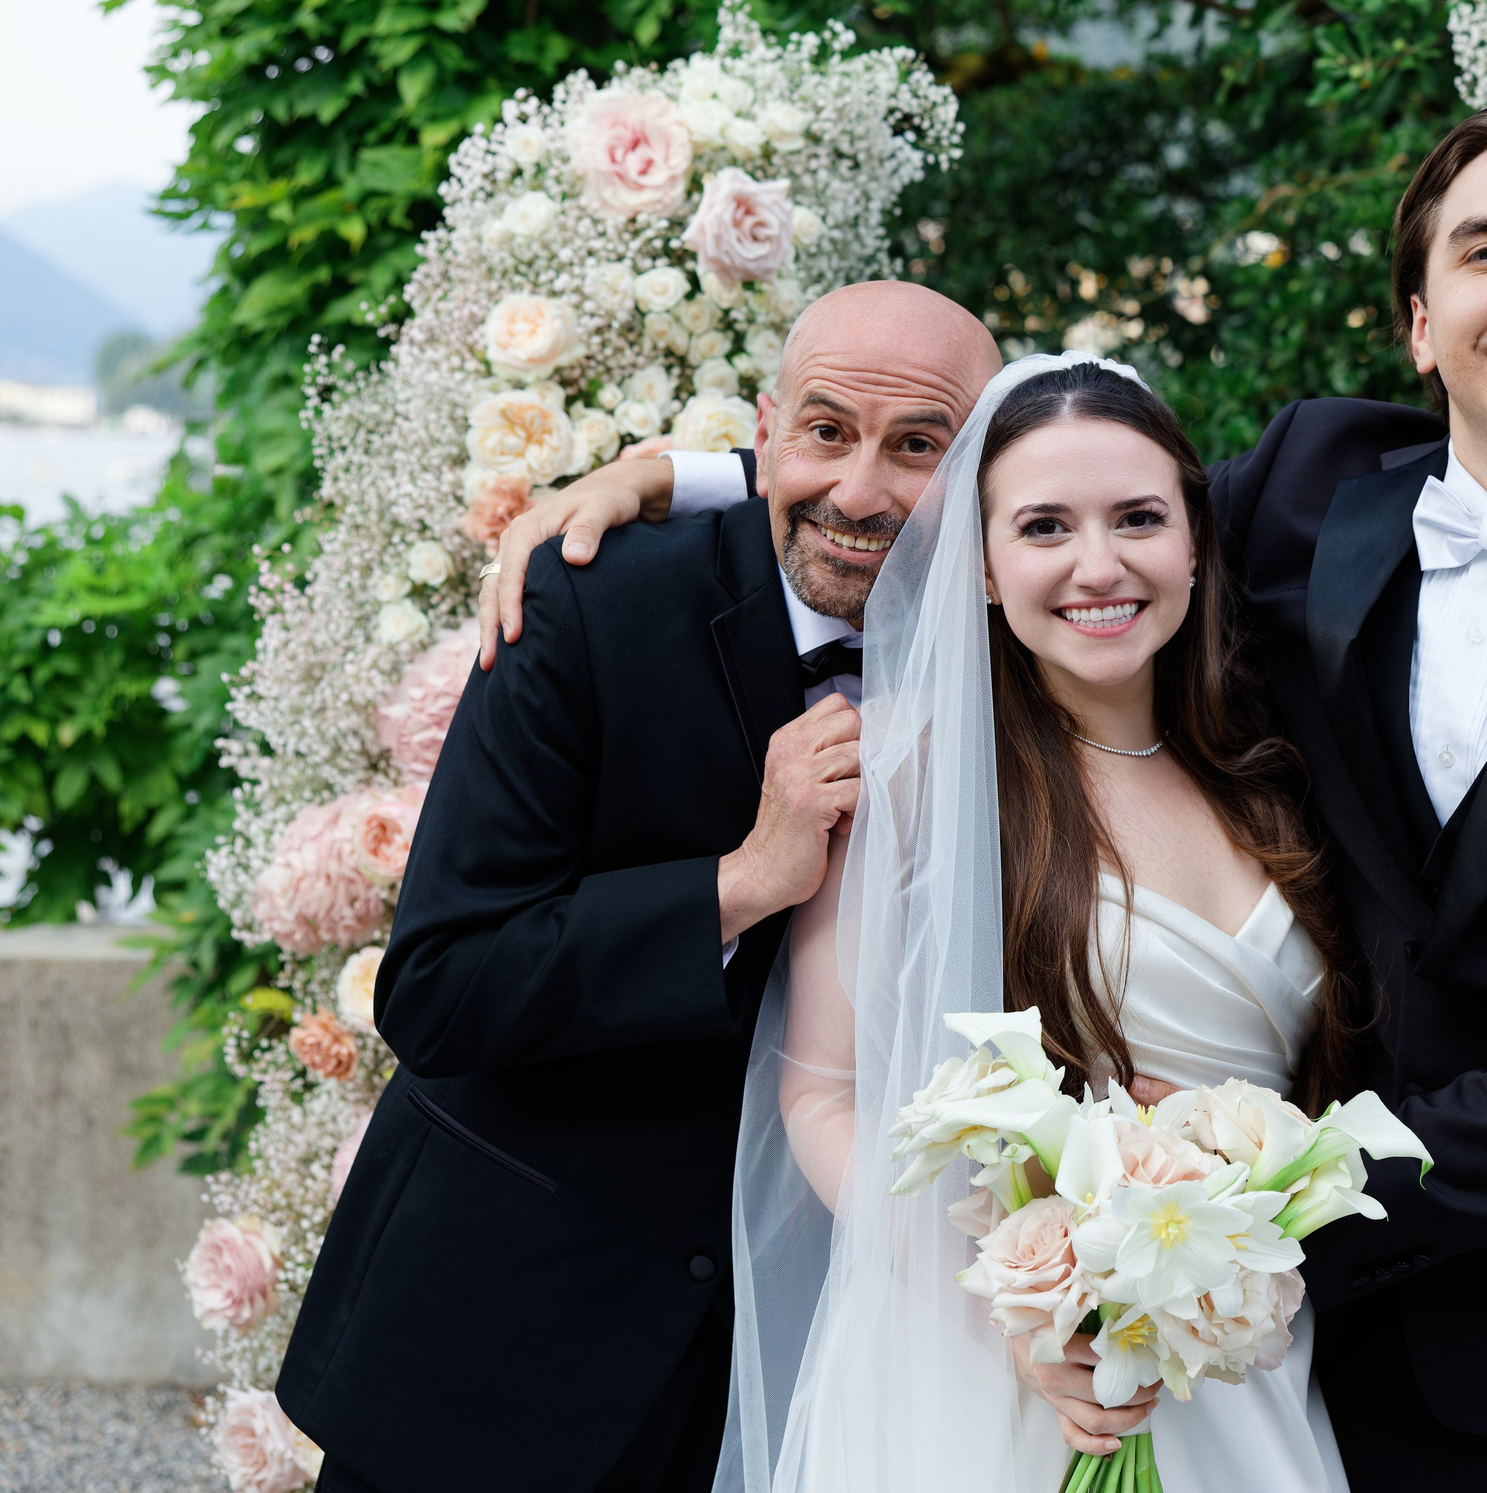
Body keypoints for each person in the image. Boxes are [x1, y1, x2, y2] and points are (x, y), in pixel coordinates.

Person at [493, 94, 1487, 1488]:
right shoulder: (1315, 491)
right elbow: (1072, 491)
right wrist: (695, 472)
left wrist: (1227, 1215)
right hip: (1265, 1364)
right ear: (1419, 321)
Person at [277, 283, 1000, 1493]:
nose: (863, 492)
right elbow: (442, 989)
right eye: (824, 433)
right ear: (767, 432)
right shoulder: (588, 602)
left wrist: (680, 466)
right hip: (503, 1333)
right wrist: (738, 885)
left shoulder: (1021, 632)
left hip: (806, 1374)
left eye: (920, 449)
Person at [719, 353, 1363, 1490]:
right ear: (978, 566)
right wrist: (1023, 1303)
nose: (1098, 565)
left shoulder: (1271, 765)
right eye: (1045, 527)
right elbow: (821, 1090)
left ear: (1197, 543)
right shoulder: (911, 775)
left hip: (1244, 1360)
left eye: (1138, 518)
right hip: (1002, 1373)